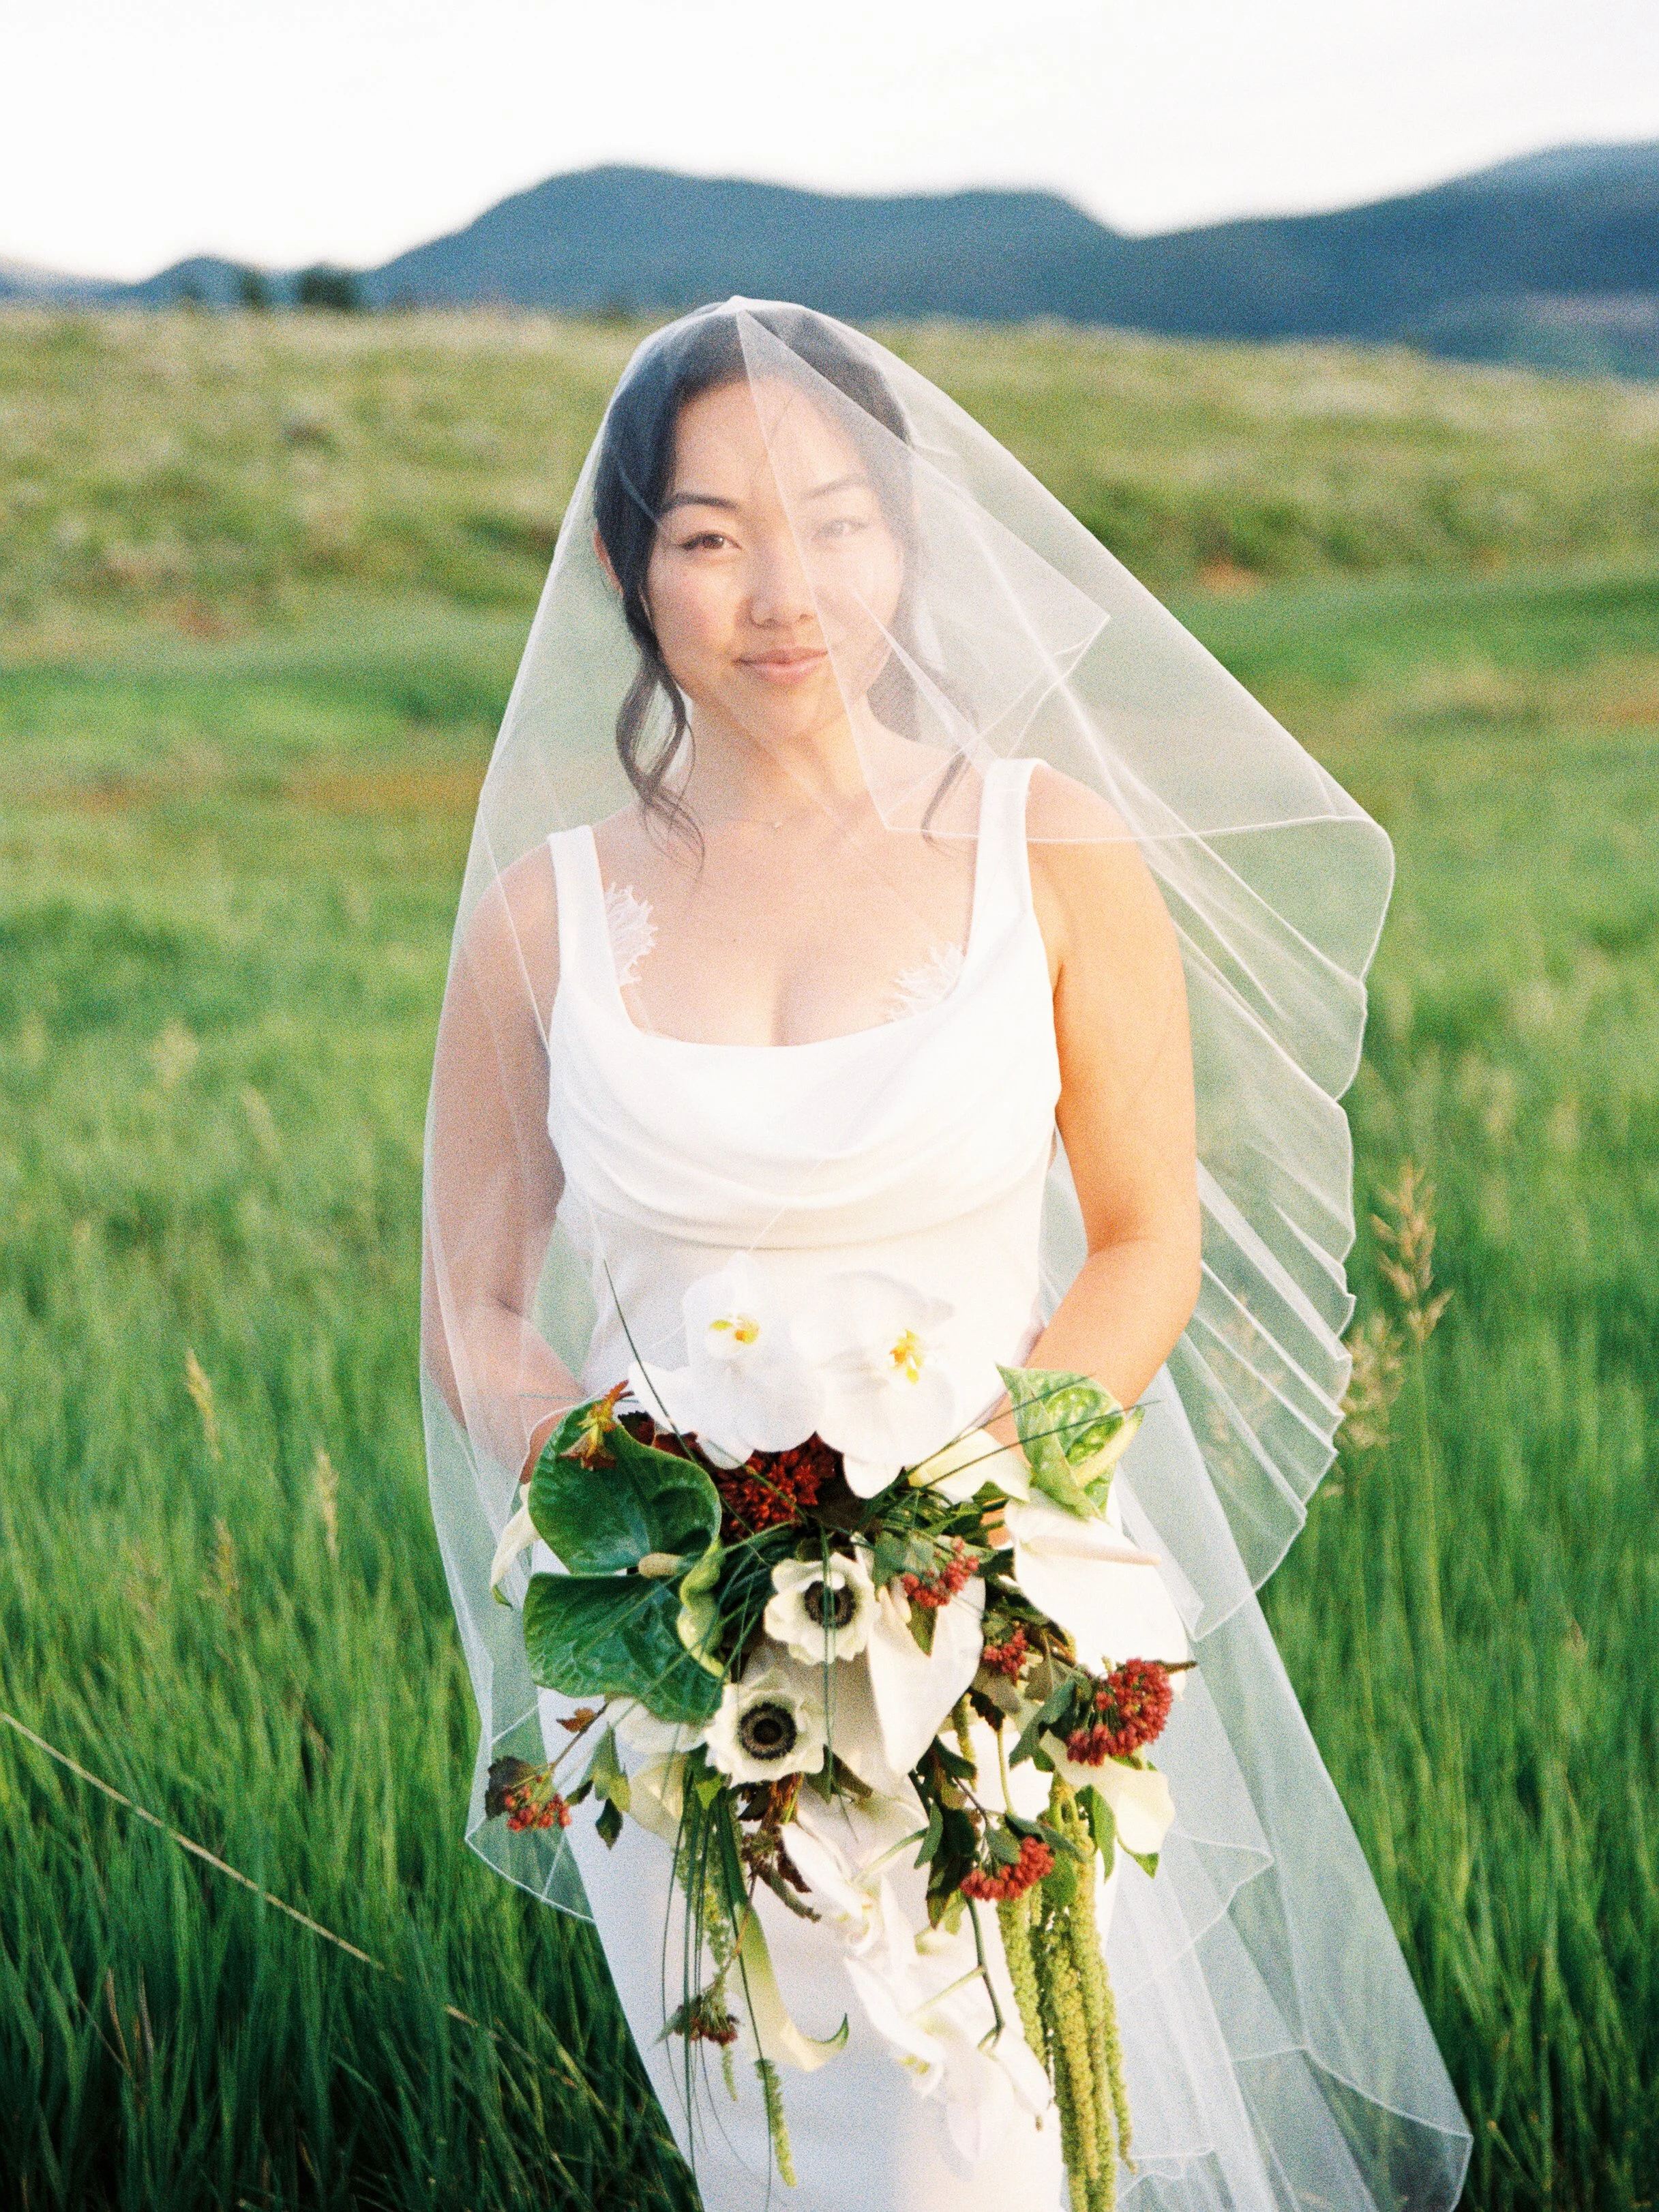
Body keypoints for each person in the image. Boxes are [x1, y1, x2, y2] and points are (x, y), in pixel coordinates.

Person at [420, 301, 1473, 2212]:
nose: (783, 589)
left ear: (910, 539)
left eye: (835, 521)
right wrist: (640, 1526)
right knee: (774, 2142)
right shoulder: (541, 918)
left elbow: (1151, 1235)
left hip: (991, 1624)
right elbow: (475, 1304)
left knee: (980, 2142)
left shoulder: (1048, 849)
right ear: (623, 563)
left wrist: (961, 1531)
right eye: (713, 532)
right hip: (683, 1666)